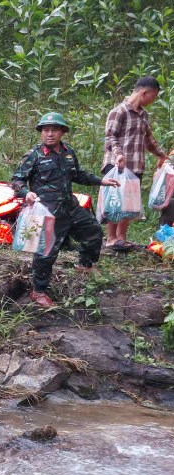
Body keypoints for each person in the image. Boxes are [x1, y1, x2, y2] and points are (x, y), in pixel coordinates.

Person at [12, 112, 119, 309]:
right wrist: (26, 192)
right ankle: (39, 291)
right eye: (45, 130)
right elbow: (17, 180)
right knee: (46, 253)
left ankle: (84, 266)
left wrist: (101, 181)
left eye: (54, 130)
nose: (49, 134)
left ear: (62, 132)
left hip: (70, 207)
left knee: (93, 232)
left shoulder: (68, 152)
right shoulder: (33, 155)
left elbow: (77, 174)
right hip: (47, 211)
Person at [103, 76, 172, 248]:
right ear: (144, 92)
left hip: (135, 166)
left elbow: (149, 139)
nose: (153, 100)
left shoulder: (143, 114)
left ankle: (121, 238)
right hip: (116, 165)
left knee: (129, 203)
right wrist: (119, 154)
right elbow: (110, 137)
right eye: (153, 97)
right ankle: (111, 238)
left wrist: (162, 156)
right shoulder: (118, 111)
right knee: (115, 202)